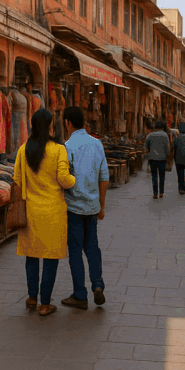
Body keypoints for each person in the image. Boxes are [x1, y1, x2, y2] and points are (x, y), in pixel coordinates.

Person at [13, 108, 76, 316]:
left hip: (30, 211)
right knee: (50, 258)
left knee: (31, 256)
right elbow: (65, 181)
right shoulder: (58, 149)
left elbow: (17, 181)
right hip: (52, 212)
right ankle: (45, 303)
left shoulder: (23, 149)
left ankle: (32, 297)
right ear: (50, 126)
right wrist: (76, 180)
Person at [60, 106, 108, 310]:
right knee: (92, 247)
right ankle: (97, 284)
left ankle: (80, 294)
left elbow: (63, 178)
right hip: (92, 206)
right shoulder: (97, 144)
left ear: (67, 123)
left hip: (73, 208)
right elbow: (104, 177)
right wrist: (102, 206)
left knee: (75, 251)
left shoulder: (67, 146)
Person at [144, 121, 170, 199]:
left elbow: (146, 146)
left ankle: (155, 193)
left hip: (152, 159)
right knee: (162, 176)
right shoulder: (165, 135)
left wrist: (149, 152)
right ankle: (161, 192)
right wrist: (168, 156)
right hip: (162, 159)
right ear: (162, 127)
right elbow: (167, 148)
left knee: (154, 176)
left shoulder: (150, 135)